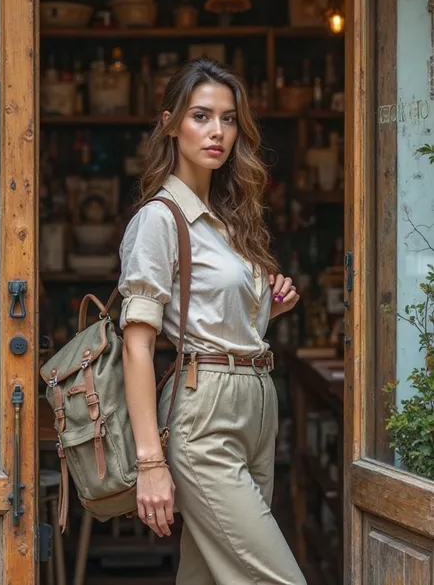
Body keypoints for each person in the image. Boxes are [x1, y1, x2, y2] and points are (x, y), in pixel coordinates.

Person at [118, 58, 306, 585]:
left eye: (227, 118)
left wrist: (269, 303)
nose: (217, 131)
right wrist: (151, 462)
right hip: (204, 412)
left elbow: (217, 309)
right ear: (171, 123)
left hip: (257, 404)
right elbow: (138, 346)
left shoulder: (229, 220)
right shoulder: (159, 218)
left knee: (208, 577)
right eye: (201, 116)